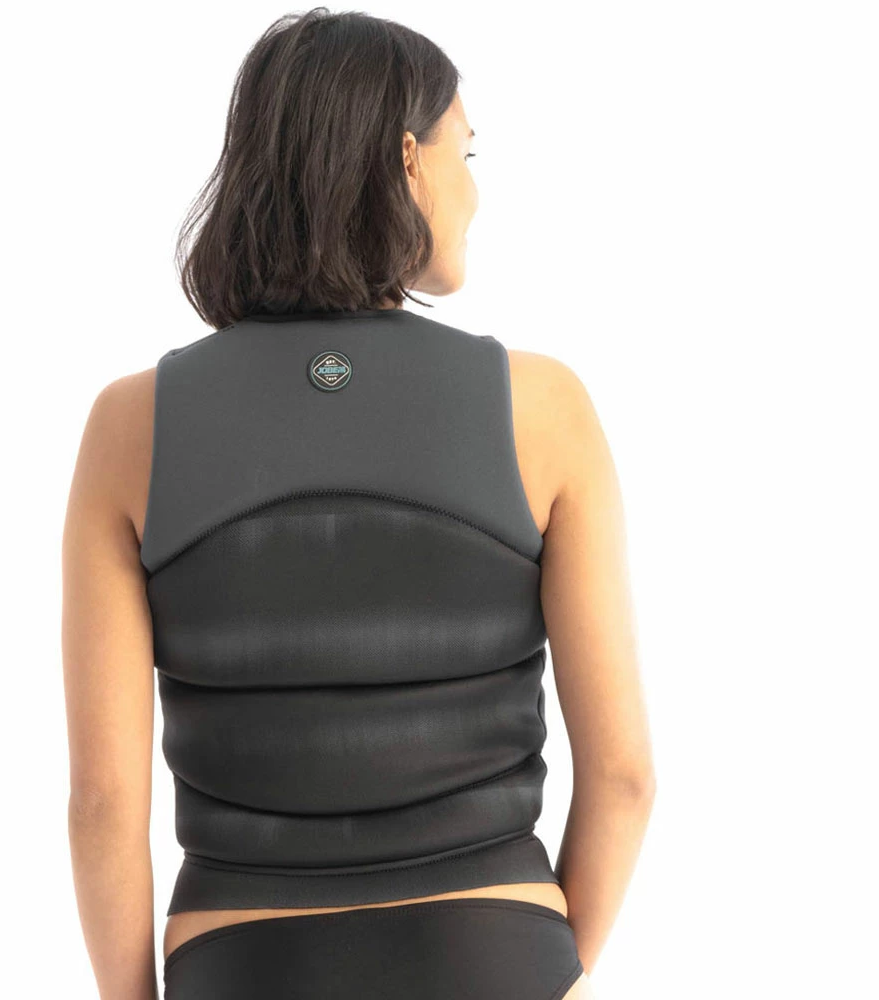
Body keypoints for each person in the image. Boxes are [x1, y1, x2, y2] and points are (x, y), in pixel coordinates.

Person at [62, 9, 656, 1000]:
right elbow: (626, 776)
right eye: (467, 152)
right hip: (497, 952)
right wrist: (548, 970)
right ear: (408, 159)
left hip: (242, 962)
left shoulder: (131, 427)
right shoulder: (542, 406)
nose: (475, 192)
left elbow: (102, 802)